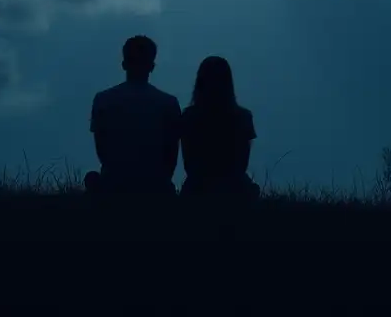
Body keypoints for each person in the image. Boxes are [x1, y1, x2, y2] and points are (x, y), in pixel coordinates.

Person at [84, 35, 182, 197]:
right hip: (155, 187)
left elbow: (101, 150)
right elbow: (171, 155)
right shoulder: (168, 103)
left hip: (114, 187)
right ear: (152, 66)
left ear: (124, 64)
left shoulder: (103, 100)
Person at [179, 56, 261, 200]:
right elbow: (242, 164)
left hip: (197, 190)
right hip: (235, 190)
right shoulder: (243, 117)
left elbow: (189, 164)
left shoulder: (189, 116)